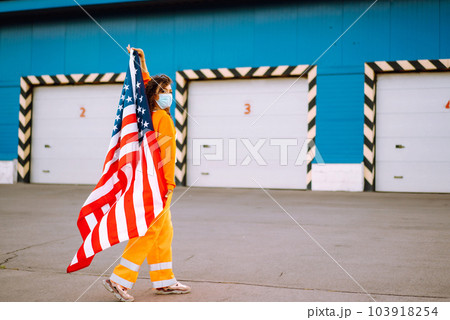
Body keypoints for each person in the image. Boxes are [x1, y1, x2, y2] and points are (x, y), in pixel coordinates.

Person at [102, 46, 191, 302]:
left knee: (164, 230)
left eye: (171, 92)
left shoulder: (146, 116)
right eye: (165, 92)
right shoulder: (161, 119)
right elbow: (166, 156)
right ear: (156, 95)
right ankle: (119, 280)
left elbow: (143, 86)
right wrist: (169, 184)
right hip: (159, 182)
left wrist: (141, 62)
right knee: (151, 230)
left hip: (146, 180)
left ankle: (164, 281)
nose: (170, 96)